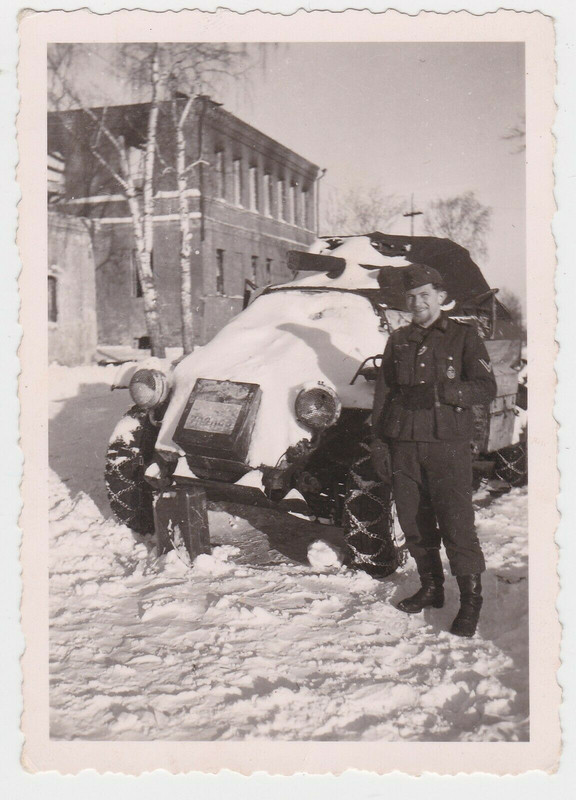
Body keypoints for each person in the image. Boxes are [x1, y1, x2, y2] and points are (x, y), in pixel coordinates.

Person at [373, 263, 497, 637]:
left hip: (447, 446)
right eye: (411, 296)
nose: (417, 302)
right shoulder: (398, 340)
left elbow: (485, 387)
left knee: (457, 524)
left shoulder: (463, 336)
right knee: (414, 522)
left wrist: (445, 392)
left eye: (424, 294)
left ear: (441, 296)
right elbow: (384, 396)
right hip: (405, 445)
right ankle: (431, 588)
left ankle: (471, 603)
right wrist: (379, 443)